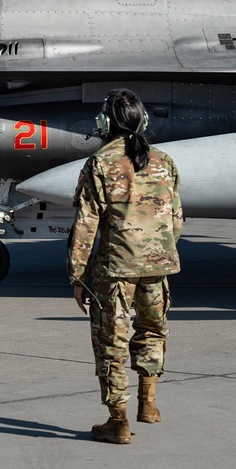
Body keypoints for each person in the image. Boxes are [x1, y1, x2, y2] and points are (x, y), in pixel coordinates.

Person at [67, 88, 182, 445]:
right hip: (158, 268)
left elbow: (85, 224)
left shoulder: (100, 164)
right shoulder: (164, 161)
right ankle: (149, 404)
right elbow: (176, 219)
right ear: (142, 121)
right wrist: (157, 252)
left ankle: (118, 422)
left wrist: (77, 274)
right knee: (152, 332)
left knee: (111, 344)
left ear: (104, 123)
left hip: (115, 271)